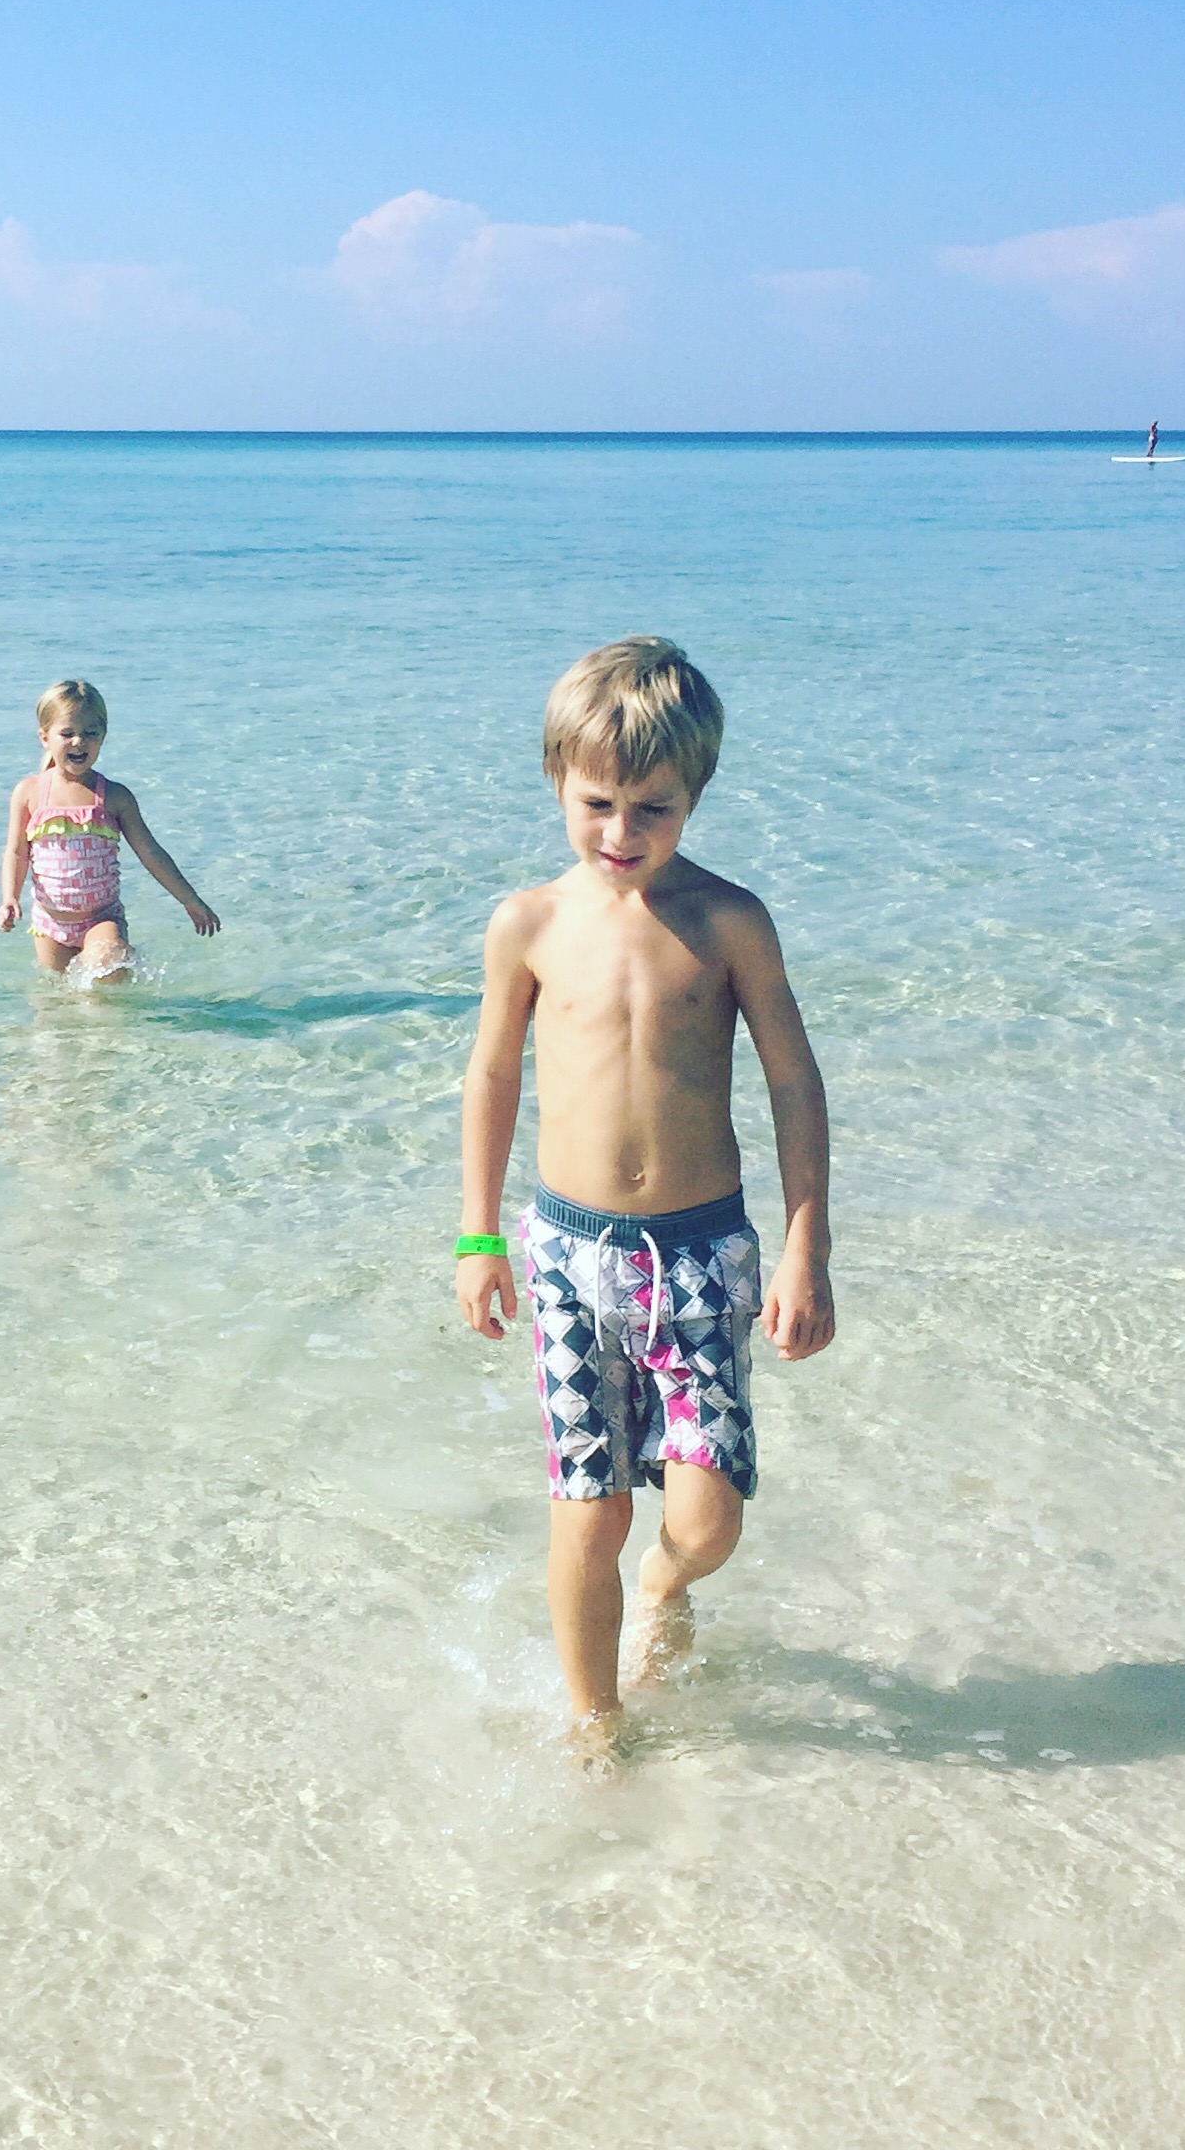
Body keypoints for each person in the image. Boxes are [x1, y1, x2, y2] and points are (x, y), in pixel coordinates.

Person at [455, 637, 835, 1754]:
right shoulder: (529, 924)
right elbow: (491, 1076)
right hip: (570, 1257)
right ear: (557, 783)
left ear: (695, 794)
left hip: (702, 1252)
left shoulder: (728, 922)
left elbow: (793, 1081)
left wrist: (806, 1246)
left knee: (707, 1520)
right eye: (598, 805)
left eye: (652, 810)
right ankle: (596, 1724)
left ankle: (666, 1585)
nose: (621, 833)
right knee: (589, 1507)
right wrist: (479, 1239)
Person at [0, 677, 220, 977]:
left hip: (101, 919)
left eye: (90, 733)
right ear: (45, 737)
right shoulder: (29, 793)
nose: (79, 741)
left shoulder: (114, 797)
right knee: (58, 998)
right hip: (49, 923)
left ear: (103, 736)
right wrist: (9, 897)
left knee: (107, 970)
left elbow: (151, 853)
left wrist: (189, 900)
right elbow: (16, 852)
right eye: (67, 733)